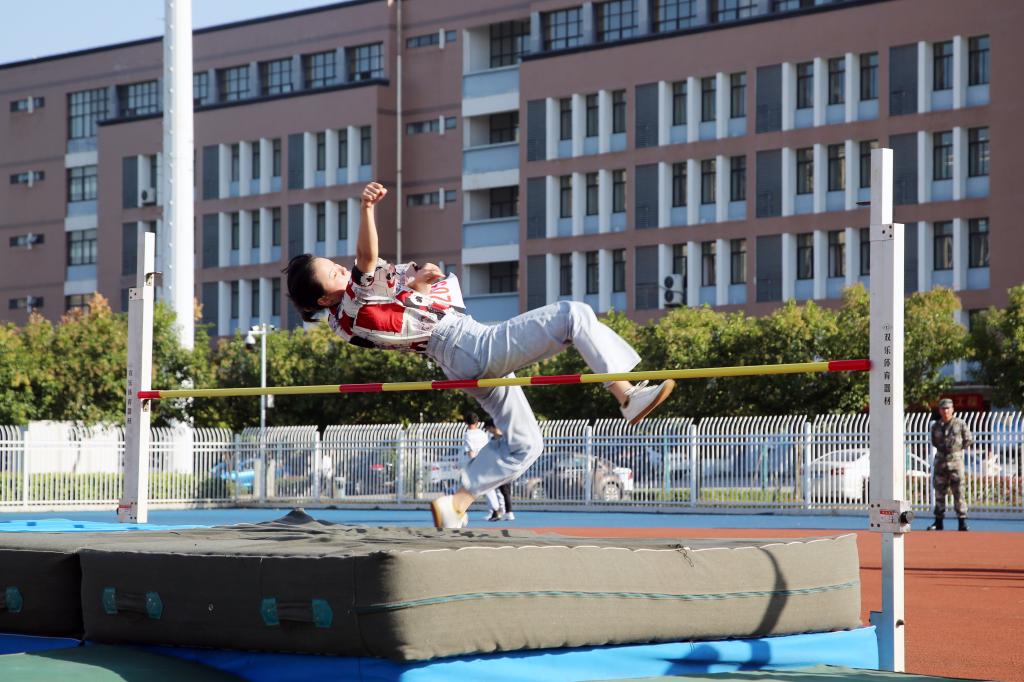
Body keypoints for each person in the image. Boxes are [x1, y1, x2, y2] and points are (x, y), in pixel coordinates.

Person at [284, 182, 675, 529]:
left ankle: (457, 503)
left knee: (525, 444)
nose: (342, 270)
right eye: (333, 273)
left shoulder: (348, 317)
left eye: (335, 266)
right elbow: (367, 261)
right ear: (323, 299)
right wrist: (368, 208)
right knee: (574, 315)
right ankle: (626, 396)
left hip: (456, 360)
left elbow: (401, 314)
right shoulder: (349, 306)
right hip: (466, 343)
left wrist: (418, 285)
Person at [927, 398, 973, 531]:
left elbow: (968, 440)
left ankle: (962, 521)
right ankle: (938, 521)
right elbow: (934, 442)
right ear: (939, 410)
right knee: (939, 492)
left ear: (952, 409)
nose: (945, 411)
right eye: (943, 408)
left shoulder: (960, 424)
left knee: (959, 492)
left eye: (948, 408)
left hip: (955, 463)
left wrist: (956, 450)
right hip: (940, 462)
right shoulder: (936, 426)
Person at [462, 412, 504, 520]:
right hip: (486, 460)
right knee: (488, 487)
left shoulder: (468, 434)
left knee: (468, 486)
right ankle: (496, 509)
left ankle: (459, 510)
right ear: (477, 422)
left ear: (465, 422)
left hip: (475, 463)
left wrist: (472, 465)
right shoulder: (482, 433)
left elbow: (471, 451)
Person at [483, 419, 514, 521]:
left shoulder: (504, 438)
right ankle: (501, 512)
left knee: (505, 491)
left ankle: (509, 512)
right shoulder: (492, 439)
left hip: (505, 467)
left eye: (488, 428)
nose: (488, 431)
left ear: (493, 427)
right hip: (496, 468)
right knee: (501, 491)